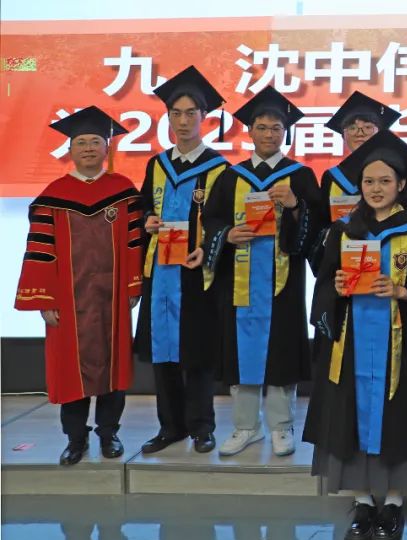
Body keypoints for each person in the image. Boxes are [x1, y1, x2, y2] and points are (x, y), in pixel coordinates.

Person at [305, 134, 407, 540]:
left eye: (385, 181)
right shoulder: (343, 231)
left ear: (401, 185)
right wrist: (336, 289)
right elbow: (323, 286)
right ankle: (362, 502)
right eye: (368, 182)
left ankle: (393, 502)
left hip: (400, 346)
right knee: (349, 417)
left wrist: (403, 292)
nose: (376, 189)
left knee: (397, 418)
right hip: (350, 345)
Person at [15, 107, 142, 465]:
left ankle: (109, 433)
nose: (88, 148)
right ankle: (75, 438)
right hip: (68, 301)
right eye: (81, 142)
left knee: (114, 366)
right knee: (71, 369)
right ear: (70, 149)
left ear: (107, 148)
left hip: (112, 298)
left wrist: (133, 286)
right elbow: (40, 251)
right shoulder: (53, 197)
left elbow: (135, 242)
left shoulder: (123, 192)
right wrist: (45, 299)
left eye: (95, 141)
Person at [201, 87, 320, 458]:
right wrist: (227, 234)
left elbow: (318, 228)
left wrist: (296, 206)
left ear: (285, 132)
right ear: (249, 130)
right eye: (262, 127)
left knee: (281, 353)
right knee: (241, 354)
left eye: (276, 128)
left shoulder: (300, 176)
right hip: (239, 281)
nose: (269, 134)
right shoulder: (230, 177)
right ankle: (246, 426)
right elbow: (210, 220)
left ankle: (282, 427)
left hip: (283, 282)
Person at [136, 66, 229, 455]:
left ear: (204, 117)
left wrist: (207, 247)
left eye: (191, 113)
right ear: (168, 118)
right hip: (161, 272)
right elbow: (143, 207)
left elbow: (223, 219)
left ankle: (202, 426)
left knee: (197, 353)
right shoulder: (157, 165)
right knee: (164, 352)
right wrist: (147, 220)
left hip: (195, 271)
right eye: (176, 113)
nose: (184, 121)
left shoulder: (219, 168)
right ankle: (169, 426)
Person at [319, 90, 402, 227]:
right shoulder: (332, 177)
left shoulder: (398, 173)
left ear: (380, 134)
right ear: (343, 136)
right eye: (352, 128)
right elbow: (322, 221)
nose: (359, 133)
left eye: (368, 127)